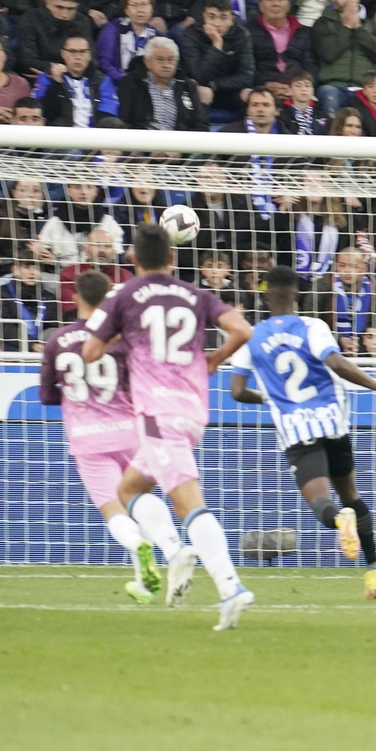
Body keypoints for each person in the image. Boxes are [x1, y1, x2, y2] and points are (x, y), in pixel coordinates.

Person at [81, 224, 256, 630]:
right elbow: (243, 330)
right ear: (173, 258)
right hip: (193, 410)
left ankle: (231, 587)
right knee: (128, 489)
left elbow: (90, 351)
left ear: (134, 259)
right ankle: (177, 552)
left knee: (187, 503)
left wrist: (121, 331)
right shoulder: (196, 295)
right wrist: (212, 359)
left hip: (157, 416)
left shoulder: (122, 296)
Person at [227, 265, 376, 601]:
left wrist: (270, 398)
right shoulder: (312, 326)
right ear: (297, 294)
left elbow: (235, 391)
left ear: (264, 295)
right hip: (332, 422)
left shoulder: (250, 336)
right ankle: (374, 574)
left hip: (296, 429)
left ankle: (339, 523)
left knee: (322, 502)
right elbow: (336, 364)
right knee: (350, 494)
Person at [38, 270, 163, 606]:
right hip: (130, 433)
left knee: (113, 509)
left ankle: (138, 545)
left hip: (88, 438)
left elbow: (47, 396)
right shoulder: (122, 339)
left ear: (75, 297)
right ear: (110, 298)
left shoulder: (56, 340)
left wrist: (77, 398)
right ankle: (147, 579)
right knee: (137, 500)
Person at [313, 0, 376, 112]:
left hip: (365, 88)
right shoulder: (323, 23)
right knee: (330, 98)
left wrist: (359, 29)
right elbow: (328, 53)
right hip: (333, 85)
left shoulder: (370, 25)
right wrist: (347, 27)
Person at [179, 0, 255, 113]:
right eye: (211, 17)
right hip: (201, 89)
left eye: (223, 17)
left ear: (232, 20)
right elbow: (199, 76)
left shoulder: (242, 35)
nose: (217, 23)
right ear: (204, 17)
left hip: (230, 90)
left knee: (250, 95)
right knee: (203, 92)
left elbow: (247, 75)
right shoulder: (191, 34)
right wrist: (217, 44)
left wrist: (215, 84)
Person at [117, 35, 209, 130]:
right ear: (147, 62)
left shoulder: (187, 86)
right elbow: (124, 120)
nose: (166, 65)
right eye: (160, 59)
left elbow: (201, 123)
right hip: (141, 140)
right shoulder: (131, 82)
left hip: (178, 142)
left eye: (170, 60)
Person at [31, 33, 120, 127]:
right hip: (59, 136)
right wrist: (56, 83)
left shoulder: (102, 80)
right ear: (63, 54)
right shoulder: (48, 77)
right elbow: (44, 114)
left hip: (94, 137)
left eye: (82, 52)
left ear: (89, 55)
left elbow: (108, 114)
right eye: (72, 51)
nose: (78, 57)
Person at [248, 0, 312, 95]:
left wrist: (298, 87)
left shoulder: (302, 31)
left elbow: (311, 65)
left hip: (296, 90)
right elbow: (246, 67)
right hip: (262, 89)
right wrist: (264, 84)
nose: (275, 4)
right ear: (261, 6)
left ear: (288, 6)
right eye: (270, 0)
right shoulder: (248, 31)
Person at [96, 0, 164, 82]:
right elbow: (104, 62)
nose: (140, 10)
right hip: (118, 84)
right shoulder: (112, 29)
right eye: (134, 5)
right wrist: (125, 81)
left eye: (144, 4)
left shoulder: (157, 35)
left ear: (151, 9)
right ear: (126, 10)